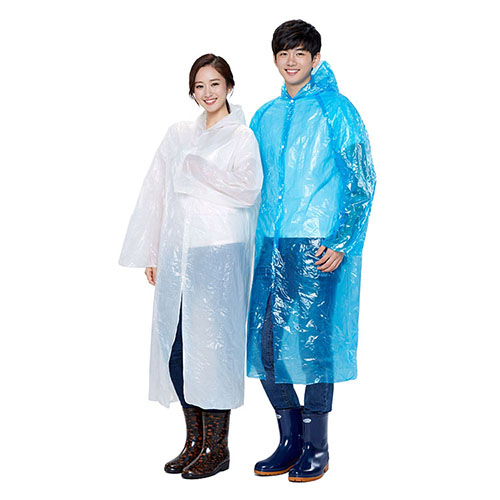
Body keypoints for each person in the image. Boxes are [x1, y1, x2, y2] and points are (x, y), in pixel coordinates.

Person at [119, 53, 262, 479]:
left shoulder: (241, 137)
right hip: (179, 252)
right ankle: (194, 441)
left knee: (213, 350)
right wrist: (153, 251)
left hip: (219, 253)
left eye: (215, 83)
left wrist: (202, 172)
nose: (207, 92)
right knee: (179, 347)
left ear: (229, 87)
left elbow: (249, 190)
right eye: (199, 86)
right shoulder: (179, 134)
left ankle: (218, 447)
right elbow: (156, 192)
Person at [247, 20, 376, 482]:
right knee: (264, 344)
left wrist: (342, 240)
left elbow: (361, 179)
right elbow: (248, 182)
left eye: (300, 53)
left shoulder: (337, 109)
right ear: (274, 58)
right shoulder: (263, 116)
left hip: (317, 244)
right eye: (284, 53)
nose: (291, 61)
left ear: (315, 59)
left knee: (315, 345)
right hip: (270, 243)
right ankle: (290, 439)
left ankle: (317, 445)